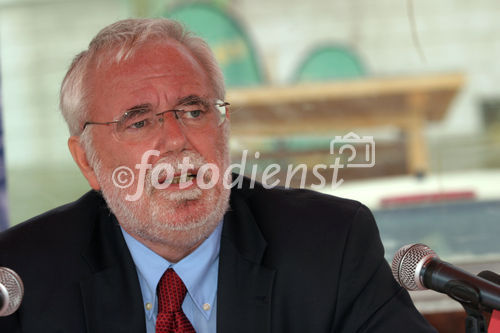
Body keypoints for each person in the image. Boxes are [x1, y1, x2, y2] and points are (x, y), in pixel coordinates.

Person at [0, 18, 436, 332]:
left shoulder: (330, 245)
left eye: (194, 110)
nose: (175, 139)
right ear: (87, 162)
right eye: (139, 121)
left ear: (224, 126)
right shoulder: (22, 276)